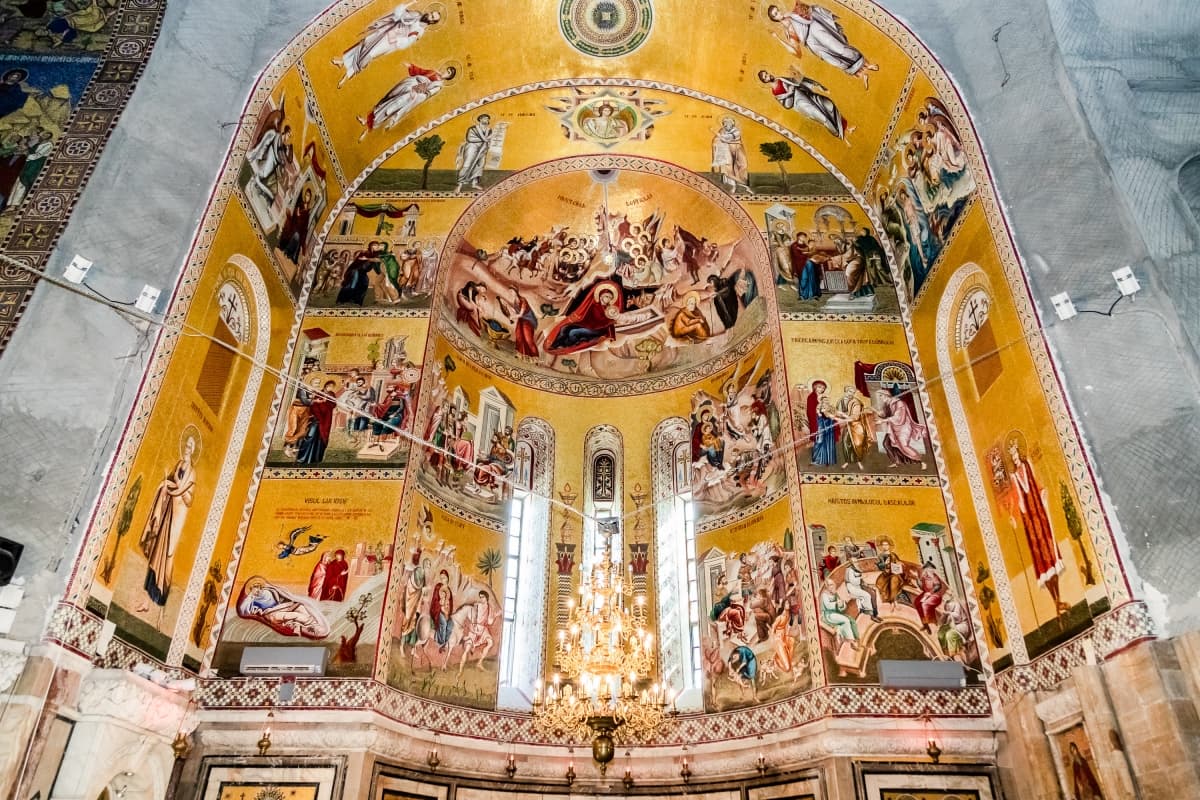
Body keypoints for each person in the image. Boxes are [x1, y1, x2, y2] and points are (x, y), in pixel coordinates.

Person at [1006, 436, 1070, 615]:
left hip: (1040, 517)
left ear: (1019, 452)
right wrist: (1013, 516)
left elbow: (1037, 484)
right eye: (1012, 455)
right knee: (1041, 559)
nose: (1015, 457)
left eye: (1016, 453)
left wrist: (1043, 493)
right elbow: (1016, 499)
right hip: (1031, 524)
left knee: (1050, 553)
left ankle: (1058, 602)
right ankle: (1057, 602)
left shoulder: (1028, 465)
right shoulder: (1013, 477)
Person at [136, 433, 197, 610]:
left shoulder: (192, 473)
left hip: (177, 516)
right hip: (167, 512)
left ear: (193, 450)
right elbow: (171, 483)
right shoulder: (179, 464)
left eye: (190, 447)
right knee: (158, 551)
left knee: (168, 553)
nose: (186, 449)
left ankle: (162, 595)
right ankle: (147, 599)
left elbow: (188, 499)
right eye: (186, 445)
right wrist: (166, 485)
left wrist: (177, 484)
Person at [767, 3, 879, 88]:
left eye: (778, 11)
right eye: (776, 14)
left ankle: (867, 64)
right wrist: (778, 39)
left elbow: (808, 19)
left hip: (815, 30)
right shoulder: (787, 32)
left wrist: (794, 15)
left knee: (839, 49)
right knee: (834, 60)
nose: (779, 14)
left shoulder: (792, 15)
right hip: (811, 44)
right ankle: (862, 74)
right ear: (775, 19)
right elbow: (797, 53)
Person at [335, 3, 442, 86]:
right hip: (387, 29)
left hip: (390, 42)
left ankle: (348, 75)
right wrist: (407, 5)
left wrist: (396, 37)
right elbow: (399, 14)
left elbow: (406, 43)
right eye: (431, 13)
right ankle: (343, 61)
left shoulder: (419, 31)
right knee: (366, 42)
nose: (429, 15)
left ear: (432, 22)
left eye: (432, 17)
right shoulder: (416, 14)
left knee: (370, 54)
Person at [359, 65, 455, 139]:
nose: (445, 72)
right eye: (447, 70)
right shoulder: (433, 72)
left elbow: (427, 93)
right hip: (408, 84)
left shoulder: (438, 86)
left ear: (448, 77)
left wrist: (416, 90)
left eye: (448, 73)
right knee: (389, 96)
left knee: (391, 107)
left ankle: (369, 127)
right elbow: (421, 71)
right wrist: (411, 67)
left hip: (411, 94)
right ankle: (367, 119)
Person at [759, 69, 853, 143]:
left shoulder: (781, 79)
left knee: (828, 105)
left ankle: (846, 127)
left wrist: (815, 83)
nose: (768, 75)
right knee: (823, 117)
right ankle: (841, 136)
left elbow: (797, 81)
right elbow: (787, 105)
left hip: (807, 95)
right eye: (765, 76)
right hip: (801, 104)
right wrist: (790, 93)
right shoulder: (775, 93)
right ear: (765, 81)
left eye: (767, 73)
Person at [544, 281, 623, 355]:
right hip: (586, 325)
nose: (608, 299)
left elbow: (609, 323)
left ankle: (566, 346)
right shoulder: (593, 304)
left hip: (597, 330)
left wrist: (611, 335)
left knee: (573, 332)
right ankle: (556, 345)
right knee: (565, 328)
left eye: (610, 298)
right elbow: (585, 314)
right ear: (601, 295)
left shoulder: (609, 310)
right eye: (607, 296)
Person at [237, 577, 330, 639]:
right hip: (272, 614)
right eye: (254, 588)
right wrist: (250, 598)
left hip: (281, 607)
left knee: (300, 607)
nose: (257, 589)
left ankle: (312, 625)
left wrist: (287, 598)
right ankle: (312, 626)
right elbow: (242, 610)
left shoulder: (269, 591)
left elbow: (281, 596)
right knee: (295, 615)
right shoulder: (252, 600)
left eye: (258, 587)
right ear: (251, 590)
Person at [874, 389, 927, 469]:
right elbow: (885, 415)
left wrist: (883, 421)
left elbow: (898, 417)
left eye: (880, 396)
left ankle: (921, 462)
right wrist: (878, 413)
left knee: (904, 446)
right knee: (887, 444)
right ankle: (897, 461)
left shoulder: (899, 403)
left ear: (886, 395)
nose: (880, 398)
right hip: (893, 428)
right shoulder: (886, 404)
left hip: (903, 428)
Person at [296, 380, 337, 464]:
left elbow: (333, 405)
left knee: (320, 439)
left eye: (332, 387)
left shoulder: (332, 395)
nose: (330, 388)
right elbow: (313, 405)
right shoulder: (318, 393)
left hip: (326, 420)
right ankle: (302, 458)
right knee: (310, 436)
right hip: (316, 418)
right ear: (326, 385)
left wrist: (327, 401)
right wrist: (318, 413)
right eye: (330, 386)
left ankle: (316, 459)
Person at [711, 116, 752, 195]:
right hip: (726, 150)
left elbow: (727, 138)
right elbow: (716, 140)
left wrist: (717, 134)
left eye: (729, 122)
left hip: (738, 149)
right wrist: (716, 141)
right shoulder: (722, 130)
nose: (727, 124)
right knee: (728, 167)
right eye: (725, 123)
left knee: (742, 165)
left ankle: (742, 183)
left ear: (732, 123)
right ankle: (732, 185)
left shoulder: (736, 131)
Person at [835, 385, 873, 469]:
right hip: (847, 425)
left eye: (853, 392)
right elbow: (837, 412)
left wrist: (844, 416)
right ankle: (847, 461)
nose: (851, 394)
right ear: (845, 391)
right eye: (849, 392)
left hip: (856, 425)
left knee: (857, 443)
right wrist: (840, 416)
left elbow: (856, 416)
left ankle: (859, 461)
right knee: (846, 442)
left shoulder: (856, 402)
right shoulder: (840, 401)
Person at [455, 113, 493, 192]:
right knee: (467, 164)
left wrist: (487, 142)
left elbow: (489, 140)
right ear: (480, 119)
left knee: (479, 165)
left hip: (483, 148)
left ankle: (474, 183)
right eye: (484, 118)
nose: (486, 120)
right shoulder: (473, 128)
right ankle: (460, 184)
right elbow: (470, 139)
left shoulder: (489, 130)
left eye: (487, 119)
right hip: (472, 147)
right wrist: (484, 139)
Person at [819, 578, 858, 650]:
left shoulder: (835, 593)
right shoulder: (824, 595)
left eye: (832, 584)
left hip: (835, 613)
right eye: (829, 585)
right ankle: (852, 641)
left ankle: (850, 638)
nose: (831, 586)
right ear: (827, 586)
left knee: (850, 620)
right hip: (828, 615)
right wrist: (836, 603)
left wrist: (842, 605)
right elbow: (828, 606)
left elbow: (841, 608)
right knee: (846, 620)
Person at [278, 186, 314, 264]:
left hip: (300, 230)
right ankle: (287, 251)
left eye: (309, 196)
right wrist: (296, 214)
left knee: (298, 237)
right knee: (295, 235)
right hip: (294, 226)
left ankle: (289, 254)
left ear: (310, 198)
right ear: (304, 196)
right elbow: (295, 215)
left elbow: (305, 224)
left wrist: (299, 216)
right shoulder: (300, 205)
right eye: (306, 195)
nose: (307, 197)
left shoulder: (308, 212)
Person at [806, 381, 838, 466]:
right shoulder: (811, 397)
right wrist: (818, 416)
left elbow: (829, 409)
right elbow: (810, 411)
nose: (821, 389)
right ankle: (816, 460)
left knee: (827, 440)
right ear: (815, 387)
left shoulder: (824, 398)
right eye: (819, 387)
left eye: (823, 388)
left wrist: (830, 415)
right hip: (818, 422)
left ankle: (827, 460)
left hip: (827, 422)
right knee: (819, 440)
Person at [874, 536, 906, 607]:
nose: (885, 546)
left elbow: (897, 562)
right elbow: (879, 566)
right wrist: (885, 564)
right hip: (886, 574)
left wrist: (899, 563)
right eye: (883, 545)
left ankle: (894, 600)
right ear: (881, 546)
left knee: (894, 580)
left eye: (886, 545)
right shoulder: (880, 556)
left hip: (895, 572)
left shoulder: (893, 554)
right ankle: (892, 601)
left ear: (889, 546)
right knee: (888, 582)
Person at [915, 561, 945, 633]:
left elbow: (938, 586)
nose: (926, 572)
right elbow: (922, 587)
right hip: (926, 594)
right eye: (925, 571)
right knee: (917, 603)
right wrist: (917, 580)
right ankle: (925, 624)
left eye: (928, 571)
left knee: (925, 604)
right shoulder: (924, 578)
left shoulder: (934, 577)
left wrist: (930, 592)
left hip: (936, 595)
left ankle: (932, 623)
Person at [430, 570, 454, 651]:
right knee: (443, 623)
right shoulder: (438, 587)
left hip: (447, 612)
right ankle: (441, 643)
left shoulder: (449, 589)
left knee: (451, 624)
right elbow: (434, 600)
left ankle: (445, 642)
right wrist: (440, 605)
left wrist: (448, 611)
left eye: (443, 578)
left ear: (447, 578)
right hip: (438, 611)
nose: (442, 579)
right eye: (441, 578)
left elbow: (450, 602)